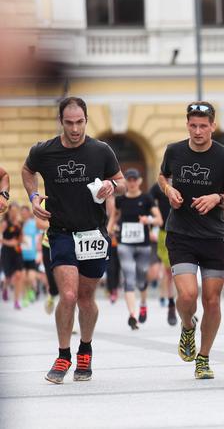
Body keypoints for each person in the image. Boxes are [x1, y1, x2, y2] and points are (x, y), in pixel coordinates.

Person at [22, 96, 126, 384]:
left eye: (79, 122)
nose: (75, 129)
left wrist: (111, 185)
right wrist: (33, 197)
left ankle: (86, 349)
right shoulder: (44, 151)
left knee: (85, 297)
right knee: (67, 295)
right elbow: (27, 170)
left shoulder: (101, 150)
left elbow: (122, 181)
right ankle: (63, 354)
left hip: (93, 233)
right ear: (61, 122)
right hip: (61, 232)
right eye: (69, 123)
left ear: (86, 120)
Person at [158, 101, 224, 379]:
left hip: (213, 236)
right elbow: (162, 176)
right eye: (193, 125)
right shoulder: (174, 150)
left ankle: (203, 358)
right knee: (188, 295)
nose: (198, 131)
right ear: (187, 125)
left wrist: (217, 198)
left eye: (203, 125)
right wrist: (168, 190)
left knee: (212, 301)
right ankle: (187, 325)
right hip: (180, 233)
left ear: (213, 126)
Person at [108, 168, 163, 330]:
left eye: (134, 180)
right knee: (129, 276)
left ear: (139, 181)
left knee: (141, 278)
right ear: (126, 182)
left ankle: (143, 304)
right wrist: (110, 229)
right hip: (125, 244)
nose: (131, 183)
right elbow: (114, 217)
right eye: (129, 180)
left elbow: (159, 220)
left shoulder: (147, 199)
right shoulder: (121, 200)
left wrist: (148, 220)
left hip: (143, 245)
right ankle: (132, 315)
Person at [149, 181, 177, 325]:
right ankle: (171, 304)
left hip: (184, 231)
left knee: (183, 272)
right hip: (164, 232)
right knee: (169, 272)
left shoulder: (184, 179)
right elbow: (148, 205)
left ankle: (186, 307)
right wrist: (150, 228)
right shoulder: (157, 186)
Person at [1, 203, 25, 309]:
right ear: (9, 211)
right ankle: (5, 289)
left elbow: (21, 239)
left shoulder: (19, 223)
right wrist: (8, 242)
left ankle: (16, 301)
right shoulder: (5, 223)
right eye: (13, 211)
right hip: (6, 252)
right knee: (8, 277)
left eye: (16, 211)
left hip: (17, 252)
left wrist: (19, 240)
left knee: (19, 276)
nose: (14, 213)